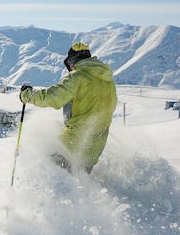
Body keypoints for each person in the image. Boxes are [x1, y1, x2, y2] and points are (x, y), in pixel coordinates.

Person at [20, 42, 117, 174]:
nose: (71, 68)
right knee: (79, 182)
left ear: (73, 61)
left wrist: (27, 95)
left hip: (73, 142)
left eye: (70, 65)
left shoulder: (78, 77)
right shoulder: (108, 81)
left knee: (53, 176)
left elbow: (51, 98)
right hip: (96, 146)